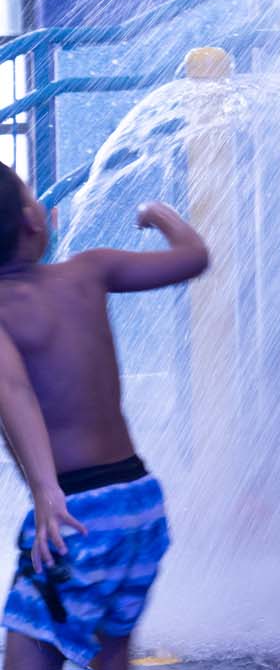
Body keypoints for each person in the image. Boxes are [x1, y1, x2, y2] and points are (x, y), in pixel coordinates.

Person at [0, 166, 210, 670]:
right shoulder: (89, 271)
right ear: (33, 220)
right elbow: (193, 257)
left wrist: (47, 491)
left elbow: (12, 390)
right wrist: (159, 214)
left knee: (29, 656)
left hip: (76, 511)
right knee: (111, 651)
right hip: (138, 505)